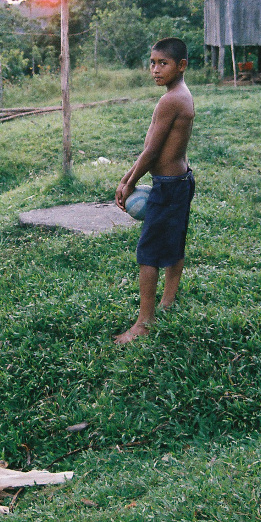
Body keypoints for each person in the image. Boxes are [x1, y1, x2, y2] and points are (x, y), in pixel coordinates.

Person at [114, 37, 196, 345]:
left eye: (163, 63)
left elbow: (151, 151)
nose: (155, 69)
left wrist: (130, 182)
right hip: (179, 182)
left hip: (169, 187)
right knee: (174, 245)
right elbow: (151, 149)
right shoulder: (180, 94)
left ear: (181, 66)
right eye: (152, 63)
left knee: (148, 254)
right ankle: (168, 301)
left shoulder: (171, 100)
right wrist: (127, 178)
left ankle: (143, 324)